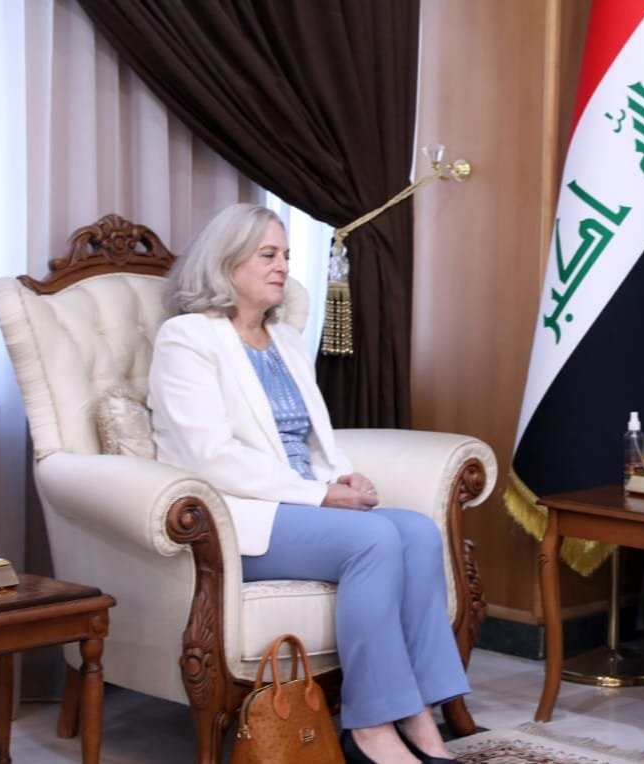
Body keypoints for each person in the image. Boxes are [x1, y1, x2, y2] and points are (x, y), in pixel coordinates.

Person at [149, 203, 466, 764]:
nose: (283, 267)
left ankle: (419, 713)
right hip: (240, 514)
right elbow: (211, 457)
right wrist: (322, 494)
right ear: (226, 264)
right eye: (268, 255)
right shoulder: (187, 338)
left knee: (417, 532)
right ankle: (371, 729)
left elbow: (311, 439)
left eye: (286, 255)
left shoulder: (287, 340)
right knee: (374, 539)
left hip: (302, 502)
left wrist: (340, 474)